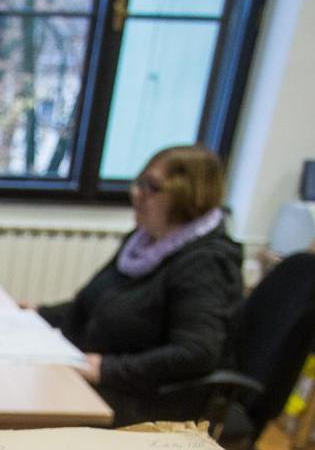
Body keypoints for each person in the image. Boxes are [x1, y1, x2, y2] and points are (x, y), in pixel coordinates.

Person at [41, 144, 242, 427]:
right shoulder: (142, 243)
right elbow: (95, 303)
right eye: (139, 183)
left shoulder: (206, 263)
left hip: (146, 401)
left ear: (188, 197)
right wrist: (37, 313)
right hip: (94, 374)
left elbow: (196, 352)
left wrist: (107, 369)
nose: (137, 194)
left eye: (152, 187)